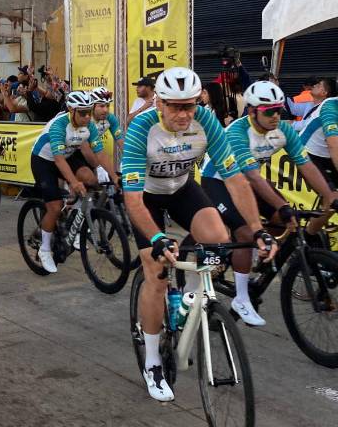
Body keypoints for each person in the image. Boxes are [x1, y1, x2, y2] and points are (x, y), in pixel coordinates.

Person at [121, 67, 274, 402]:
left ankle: (191, 293)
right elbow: (131, 199)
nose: (183, 114)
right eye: (175, 106)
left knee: (218, 240)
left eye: (189, 105)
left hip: (181, 189)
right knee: (156, 275)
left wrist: (259, 229)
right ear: (158, 102)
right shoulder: (141, 129)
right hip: (146, 195)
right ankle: (152, 361)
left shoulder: (206, 120)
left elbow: (235, 180)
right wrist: (158, 240)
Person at [201, 81, 336, 326]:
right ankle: (241, 298)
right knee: (245, 229)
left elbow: (306, 166)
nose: (276, 116)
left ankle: (256, 263)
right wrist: (283, 206)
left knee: (278, 219)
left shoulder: (283, 129)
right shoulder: (236, 132)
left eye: (279, 110)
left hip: (247, 181)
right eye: (269, 111)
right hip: (217, 181)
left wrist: (329, 195)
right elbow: (253, 176)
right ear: (252, 111)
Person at [30, 91, 118, 273]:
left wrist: (115, 176)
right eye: (82, 113)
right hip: (44, 159)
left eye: (88, 112)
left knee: (90, 179)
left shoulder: (90, 127)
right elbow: (58, 160)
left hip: (68, 154)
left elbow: (100, 153)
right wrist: (73, 182)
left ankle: (75, 226)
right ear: (71, 110)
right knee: (54, 206)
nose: (87, 117)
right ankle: (45, 249)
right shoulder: (59, 126)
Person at [299, 78, 338, 186]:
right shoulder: (330, 107)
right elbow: (333, 145)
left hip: (326, 156)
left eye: (319, 85)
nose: (315, 85)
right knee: (330, 195)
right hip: (308, 154)